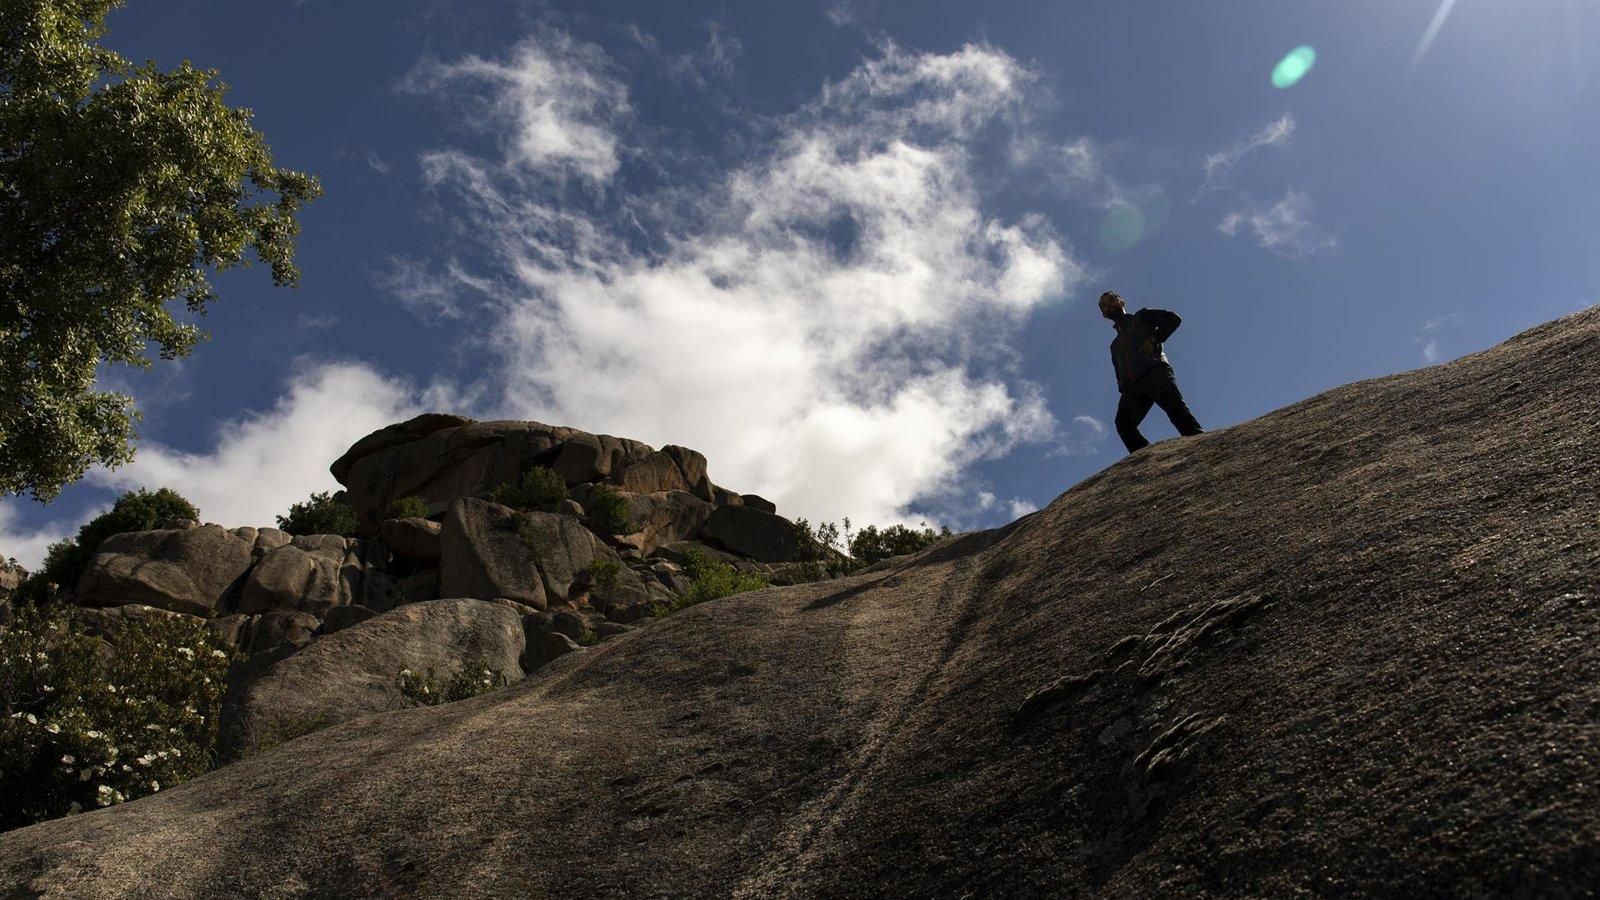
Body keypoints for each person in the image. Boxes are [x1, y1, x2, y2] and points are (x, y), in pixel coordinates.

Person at [1099, 291, 1204, 453]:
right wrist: (1122, 386)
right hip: (1132, 387)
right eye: (1103, 306)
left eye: (1111, 300)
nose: (1108, 305)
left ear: (1122, 302)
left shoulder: (1141, 317)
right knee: (1123, 424)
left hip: (1154, 370)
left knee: (1175, 408)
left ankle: (1202, 446)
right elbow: (1117, 369)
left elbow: (1173, 319)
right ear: (1104, 314)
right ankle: (1145, 459)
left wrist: (1154, 339)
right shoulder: (1114, 346)